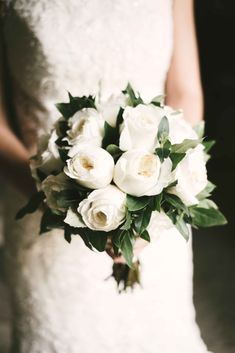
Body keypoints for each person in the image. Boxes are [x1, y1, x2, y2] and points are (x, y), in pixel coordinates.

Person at [0, 0, 210, 352]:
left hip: (155, 215)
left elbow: (185, 91)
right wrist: (56, 197)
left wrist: (156, 206)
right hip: (43, 211)